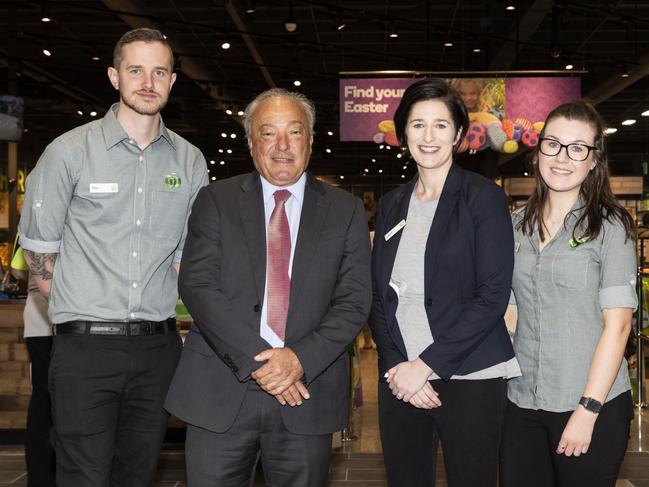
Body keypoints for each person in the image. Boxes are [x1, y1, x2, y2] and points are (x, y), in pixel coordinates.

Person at [18, 27, 208, 486]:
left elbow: (187, 259)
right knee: (83, 474)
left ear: (172, 81)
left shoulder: (190, 162)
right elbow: (40, 253)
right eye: (136, 70)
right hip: (85, 348)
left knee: (137, 473)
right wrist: (83, 312)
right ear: (114, 76)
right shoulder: (68, 152)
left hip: (158, 349)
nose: (148, 81)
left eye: (159, 71)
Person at [164, 88, 372, 487]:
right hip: (220, 394)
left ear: (310, 141)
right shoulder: (216, 200)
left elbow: (354, 299)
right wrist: (264, 363)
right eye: (268, 133)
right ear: (250, 142)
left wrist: (298, 359)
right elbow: (198, 285)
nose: (281, 146)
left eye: (294, 133)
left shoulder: (345, 210)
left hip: (305, 394)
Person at [369, 78, 519, 487]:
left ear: (457, 134)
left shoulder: (482, 198)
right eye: (417, 125)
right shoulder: (391, 205)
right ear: (403, 133)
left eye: (440, 125)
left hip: (470, 376)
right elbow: (378, 297)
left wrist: (427, 366)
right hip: (400, 378)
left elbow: (492, 296)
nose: (428, 136)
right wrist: (399, 365)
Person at [500, 101, 636, 487]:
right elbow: (509, 311)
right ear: (538, 149)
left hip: (590, 402)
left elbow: (619, 326)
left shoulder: (611, 229)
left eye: (578, 148)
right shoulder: (513, 226)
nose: (563, 158)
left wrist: (587, 409)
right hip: (521, 399)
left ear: (594, 160)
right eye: (553, 144)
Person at [10, 235, 55, 486]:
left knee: (42, 400)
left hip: (38, 321)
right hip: (67, 322)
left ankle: (41, 478)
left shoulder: (33, 217)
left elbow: (17, 270)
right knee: (64, 401)